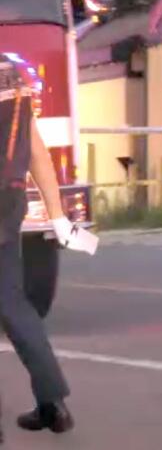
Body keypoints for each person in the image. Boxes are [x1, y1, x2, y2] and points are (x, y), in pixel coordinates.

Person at [0, 54, 74, 436]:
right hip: (8, 202)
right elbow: (38, 155)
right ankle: (52, 403)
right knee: (13, 303)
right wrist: (57, 215)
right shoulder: (11, 78)